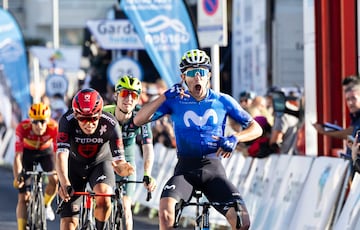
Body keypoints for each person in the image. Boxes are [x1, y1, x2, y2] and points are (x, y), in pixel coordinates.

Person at [134, 49, 263, 230]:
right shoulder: (175, 101)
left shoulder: (223, 101)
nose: (197, 78)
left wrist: (235, 137)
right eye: (191, 73)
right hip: (185, 171)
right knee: (165, 213)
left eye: (201, 72)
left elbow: (256, 128)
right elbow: (138, 120)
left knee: (242, 221)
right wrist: (164, 96)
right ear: (183, 77)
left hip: (214, 171)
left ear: (208, 74)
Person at [56, 88, 134, 230]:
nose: (89, 123)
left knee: (104, 196)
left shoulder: (110, 123)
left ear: (100, 114)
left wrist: (122, 168)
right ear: (75, 115)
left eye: (93, 118)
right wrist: (64, 182)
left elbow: (119, 160)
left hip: (100, 163)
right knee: (68, 224)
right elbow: (61, 155)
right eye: (83, 119)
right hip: (73, 165)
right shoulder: (66, 121)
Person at [103, 75, 156, 230]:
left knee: (126, 207)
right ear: (116, 96)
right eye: (125, 94)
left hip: (128, 161)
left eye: (134, 95)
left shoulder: (140, 116)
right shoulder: (105, 114)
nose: (129, 99)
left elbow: (148, 147)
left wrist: (147, 173)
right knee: (102, 201)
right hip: (106, 158)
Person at [13, 103, 59, 230]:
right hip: (28, 154)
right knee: (24, 197)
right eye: (35, 122)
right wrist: (18, 176)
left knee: (54, 180)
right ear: (30, 121)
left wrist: (57, 172)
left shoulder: (54, 127)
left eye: (43, 122)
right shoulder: (22, 127)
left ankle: (46, 205)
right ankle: (21, 228)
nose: (39, 126)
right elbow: (18, 156)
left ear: (48, 121)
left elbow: (57, 154)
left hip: (46, 152)